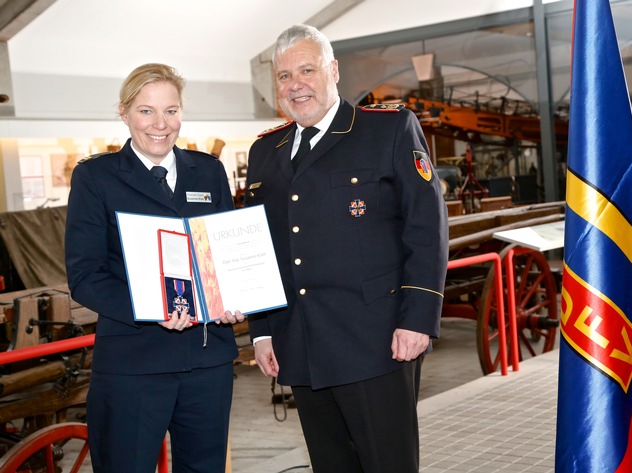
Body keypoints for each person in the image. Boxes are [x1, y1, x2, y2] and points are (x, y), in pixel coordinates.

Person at [245, 24, 448, 472]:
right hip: (300, 343)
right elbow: (259, 249)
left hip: (376, 340)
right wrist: (261, 330)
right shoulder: (265, 152)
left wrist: (418, 320)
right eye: (283, 76)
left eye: (307, 69)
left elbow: (426, 228)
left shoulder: (388, 130)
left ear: (333, 71)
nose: (295, 84)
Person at [65, 63, 243, 473]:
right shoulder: (97, 178)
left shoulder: (209, 171)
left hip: (206, 360)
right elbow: (86, 276)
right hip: (134, 363)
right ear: (124, 113)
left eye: (171, 110)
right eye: (146, 111)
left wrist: (233, 296)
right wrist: (152, 308)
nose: (161, 124)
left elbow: (221, 256)